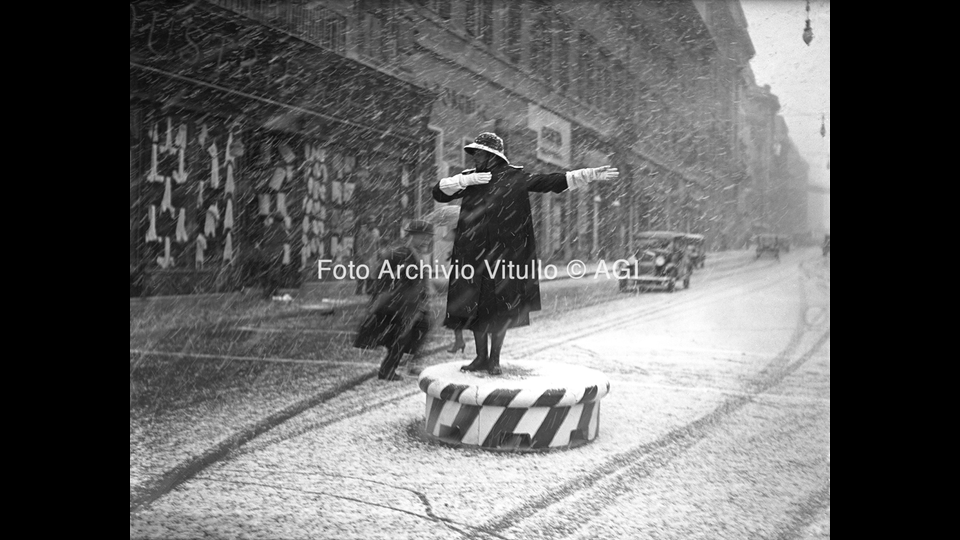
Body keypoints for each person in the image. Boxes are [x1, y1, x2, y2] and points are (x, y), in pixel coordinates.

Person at [432, 132, 618, 375]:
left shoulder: (514, 177)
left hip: (504, 256)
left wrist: (587, 174)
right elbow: (438, 192)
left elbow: (549, 181)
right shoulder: (470, 178)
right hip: (472, 254)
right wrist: (464, 181)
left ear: (491, 156)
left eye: (479, 152)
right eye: (474, 152)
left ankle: (494, 359)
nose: (475, 156)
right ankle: (480, 358)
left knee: (499, 310)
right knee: (474, 309)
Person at [353, 220, 434, 381]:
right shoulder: (398, 253)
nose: (426, 241)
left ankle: (401, 364)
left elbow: (419, 279)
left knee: (417, 329)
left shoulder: (416, 253)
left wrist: (424, 294)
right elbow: (384, 279)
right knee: (402, 335)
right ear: (412, 236)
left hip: (410, 304)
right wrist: (380, 300)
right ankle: (389, 369)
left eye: (428, 237)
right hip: (397, 304)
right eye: (423, 237)